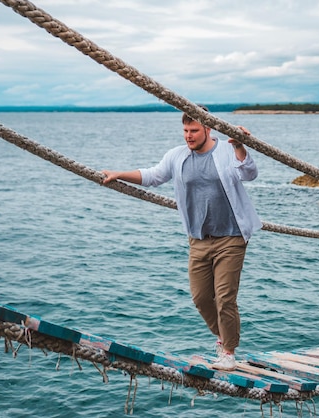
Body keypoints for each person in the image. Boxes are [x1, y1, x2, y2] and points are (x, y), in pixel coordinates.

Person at [101, 106, 262, 371]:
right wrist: (120, 173)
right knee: (200, 297)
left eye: (194, 130)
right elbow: (154, 175)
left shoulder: (224, 150)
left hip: (231, 236)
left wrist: (241, 148)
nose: (189, 136)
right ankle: (222, 337)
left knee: (224, 297)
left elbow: (248, 173)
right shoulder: (177, 156)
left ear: (208, 129)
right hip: (198, 239)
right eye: (185, 130)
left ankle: (229, 352)